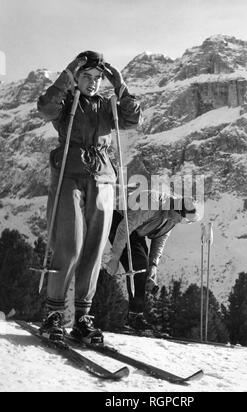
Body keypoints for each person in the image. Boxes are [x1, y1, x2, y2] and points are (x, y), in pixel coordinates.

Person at [37, 51, 141, 344]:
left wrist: (119, 85)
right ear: (77, 78)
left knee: (95, 248)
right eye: (87, 77)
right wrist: (69, 72)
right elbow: (45, 109)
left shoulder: (108, 107)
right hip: (69, 172)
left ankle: (83, 316)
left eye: (98, 78)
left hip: (104, 177)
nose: (93, 83)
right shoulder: (66, 102)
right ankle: (55, 313)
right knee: (69, 243)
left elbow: (132, 119)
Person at [106, 190, 201, 332]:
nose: (182, 222)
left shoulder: (171, 217)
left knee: (144, 269)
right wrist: (114, 258)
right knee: (139, 266)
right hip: (119, 221)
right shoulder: (153, 204)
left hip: (136, 232)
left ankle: (136, 315)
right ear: (177, 210)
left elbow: (159, 241)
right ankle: (134, 317)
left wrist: (153, 267)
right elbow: (124, 227)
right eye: (184, 219)